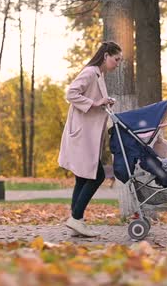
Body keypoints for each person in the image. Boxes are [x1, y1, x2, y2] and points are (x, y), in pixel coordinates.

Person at [58, 41, 122, 237]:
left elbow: (96, 101)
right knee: (98, 175)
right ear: (106, 56)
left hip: (87, 134)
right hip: (81, 134)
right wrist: (95, 103)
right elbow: (71, 93)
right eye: (116, 59)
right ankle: (76, 218)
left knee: (82, 177)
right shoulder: (89, 72)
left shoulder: (98, 75)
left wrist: (104, 102)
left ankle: (77, 221)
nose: (118, 63)